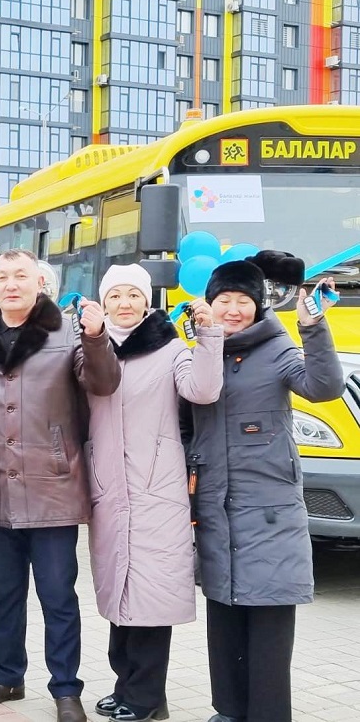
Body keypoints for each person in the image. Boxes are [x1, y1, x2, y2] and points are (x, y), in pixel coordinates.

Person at [185, 251, 344, 722]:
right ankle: (229, 710)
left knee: (269, 618)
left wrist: (313, 326)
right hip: (215, 503)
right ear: (209, 302)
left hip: (268, 507)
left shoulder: (277, 347)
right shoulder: (201, 347)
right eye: (224, 300)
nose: (233, 310)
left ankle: (269, 714)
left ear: (259, 304)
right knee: (224, 613)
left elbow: (324, 386)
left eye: (244, 301)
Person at [0, 249, 121, 722]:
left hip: (53, 484)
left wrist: (97, 337)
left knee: (58, 596)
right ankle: (6, 675)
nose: (11, 284)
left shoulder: (68, 331)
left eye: (21, 276)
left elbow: (104, 383)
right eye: (2, 277)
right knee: (3, 594)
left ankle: (66, 689)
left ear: (39, 282)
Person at [85, 265, 224, 722]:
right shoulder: (92, 348)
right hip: (109, 487)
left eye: (133, 295)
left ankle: (146, 698)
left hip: (156, 489)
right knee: (118, 589)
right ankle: (125, 686)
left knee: (150, 594)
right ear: (104, 302)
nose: (124, 303)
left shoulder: (170, 348)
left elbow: (204, 390)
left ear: (147, 301)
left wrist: (209, 335)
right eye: (115, 296)